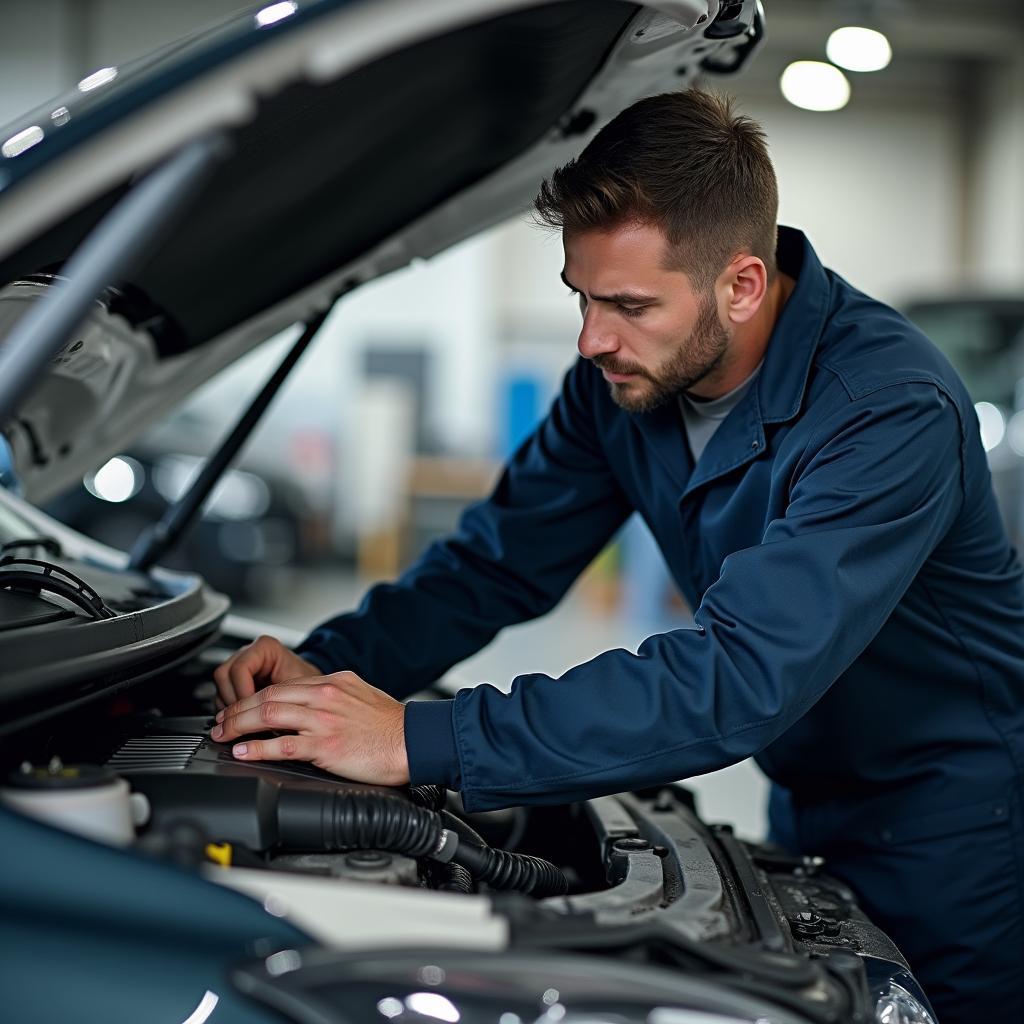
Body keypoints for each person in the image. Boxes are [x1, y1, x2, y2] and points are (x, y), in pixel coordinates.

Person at [212, 89, 1024, 1022]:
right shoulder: (619, 384)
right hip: (811, 804)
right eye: (582, 297)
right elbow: (495, 562)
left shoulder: (887, 407)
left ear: (743, 284)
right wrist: (329, 670)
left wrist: (416, 739)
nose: (593, 338)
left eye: (631, 304)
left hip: (955, 828)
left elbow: (741, 674)